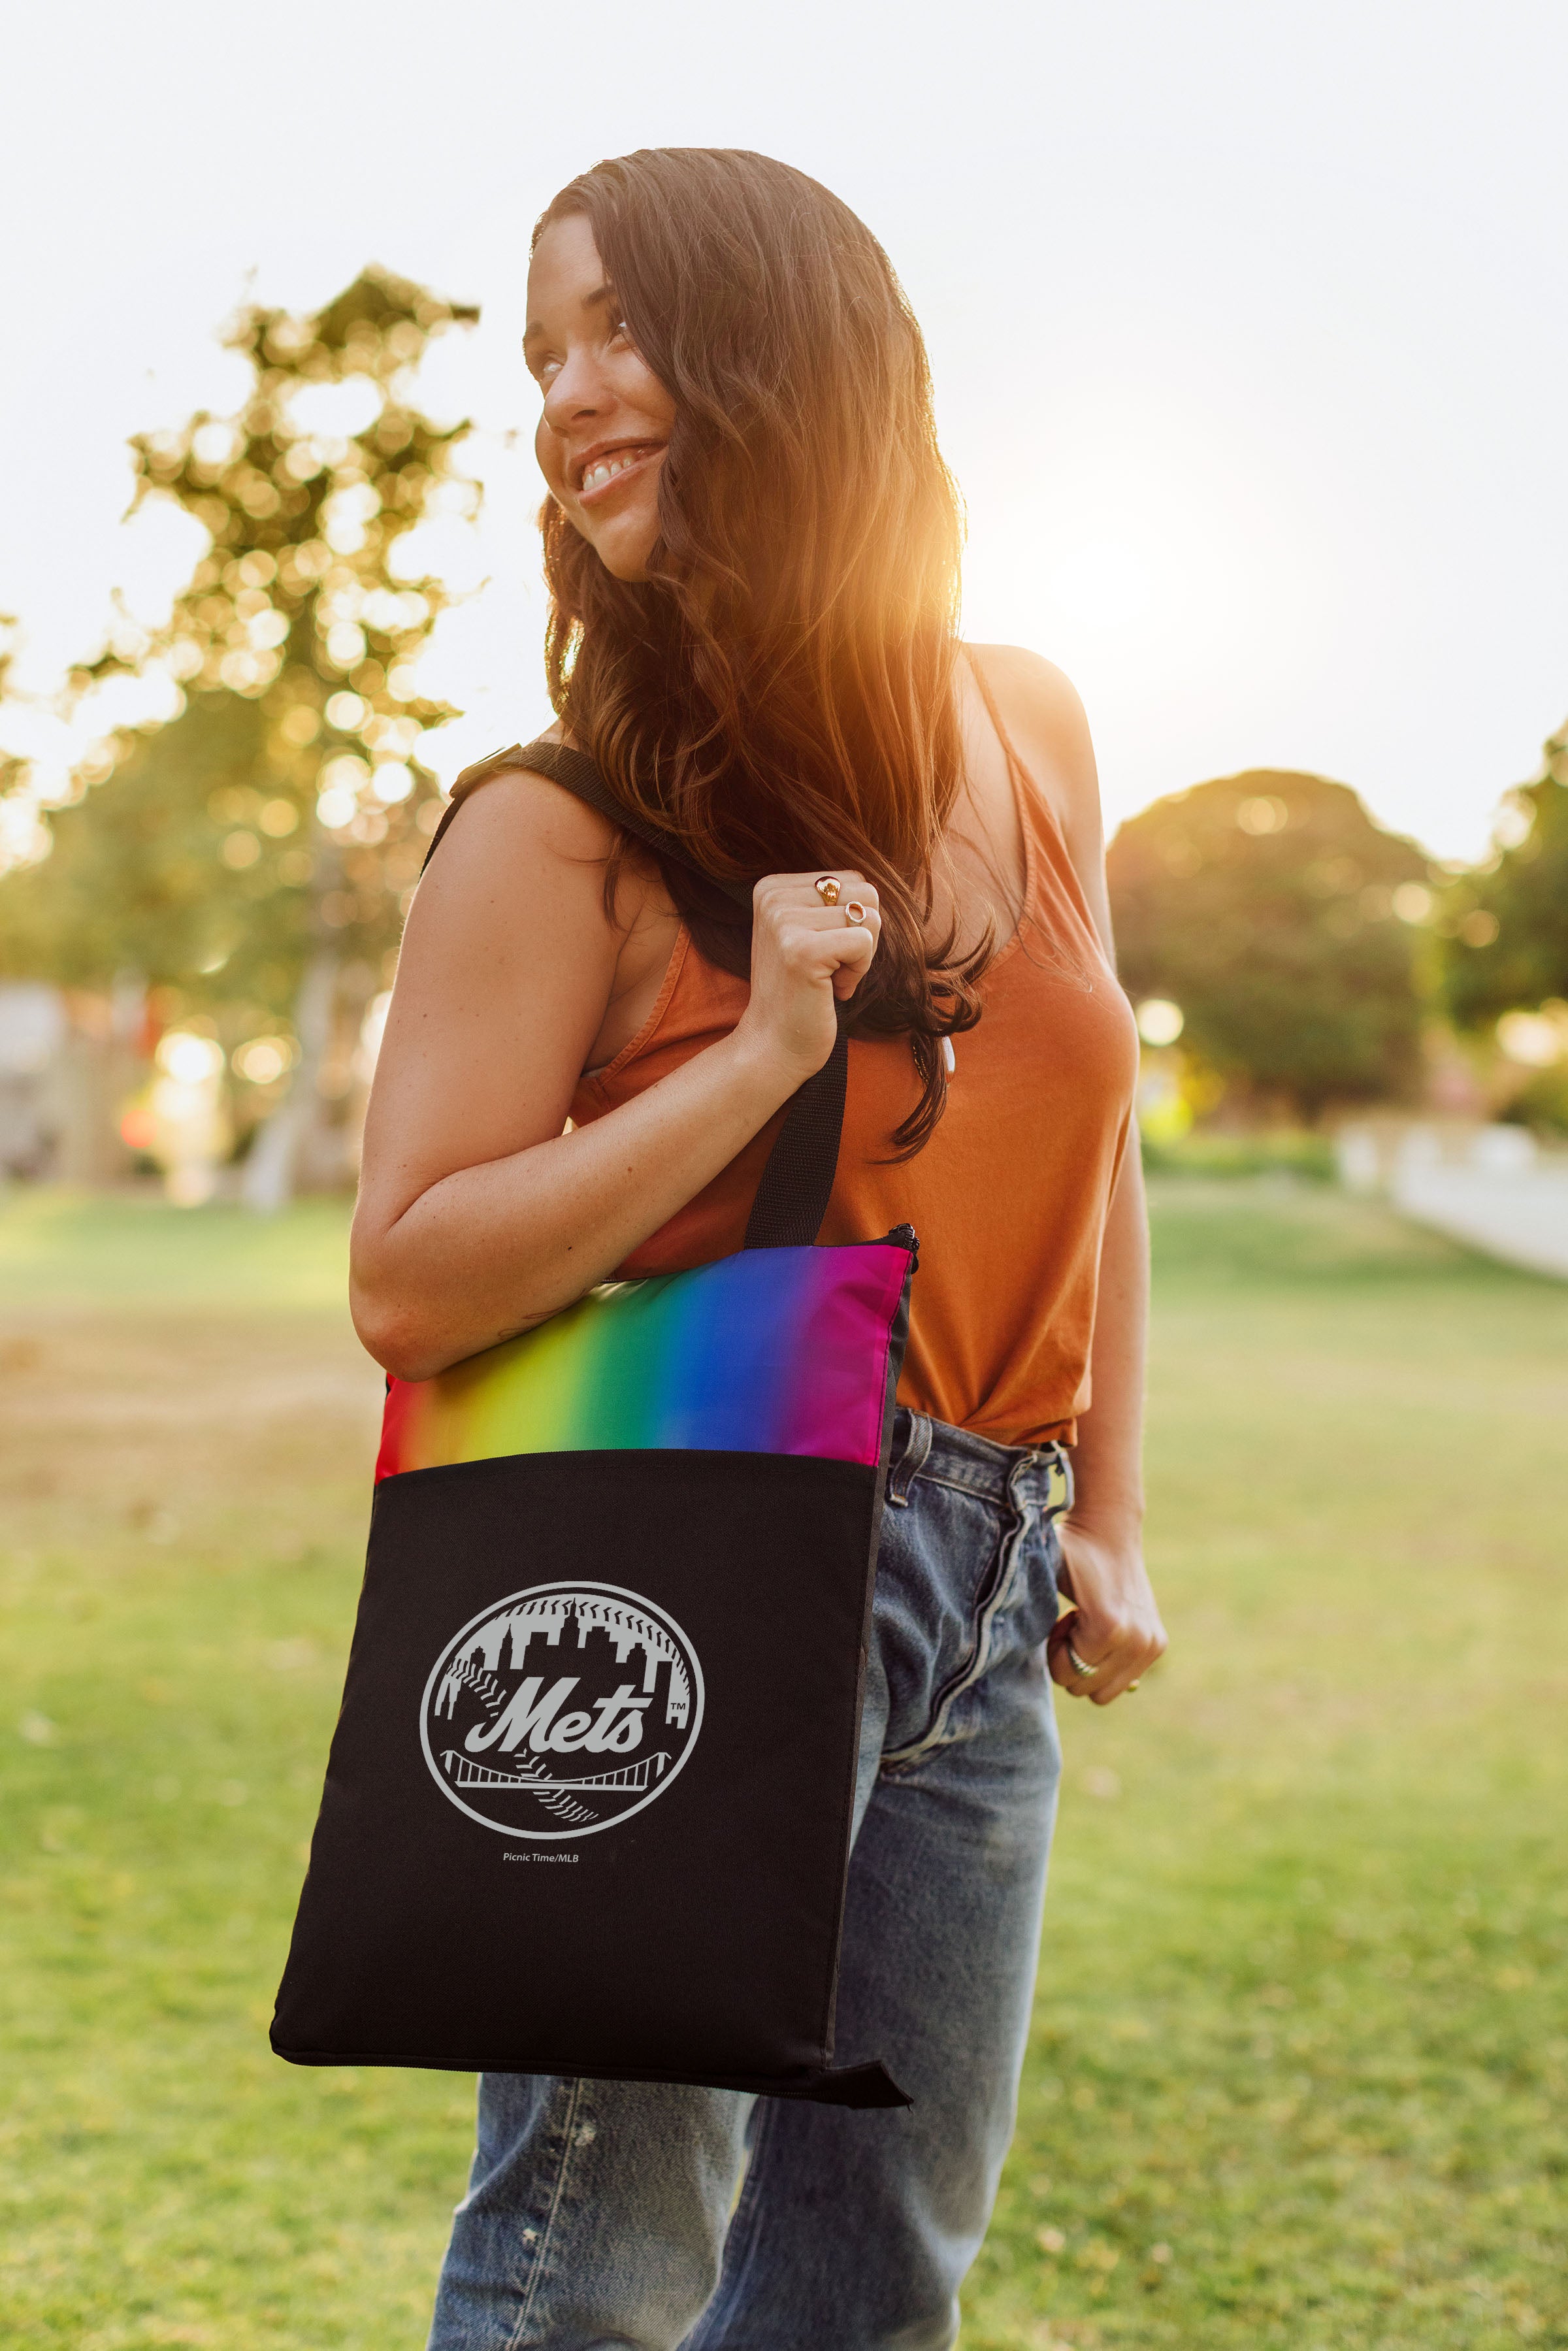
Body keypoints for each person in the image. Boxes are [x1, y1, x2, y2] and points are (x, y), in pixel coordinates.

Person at [351, 146, 1167, 2351]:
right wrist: (755, 1056)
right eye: (542, 354)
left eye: (616, 330)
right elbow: (407, 1278)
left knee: (871, 2276)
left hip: (982, 1583)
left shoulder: (1032, 723)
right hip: (696, 1547)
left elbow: (1093, 1152)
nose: (567, 393)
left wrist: (1103, 1512)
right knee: (594, 2261)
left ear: (785, 357)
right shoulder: (560, 823)